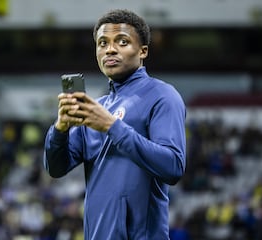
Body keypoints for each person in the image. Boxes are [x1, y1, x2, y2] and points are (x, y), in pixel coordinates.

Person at [43, 9, 186, 240]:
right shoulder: (95, 107)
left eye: (122, 41)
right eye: (102, 43)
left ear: (143, 51)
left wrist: (112, 126)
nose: (110, 49)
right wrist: (60, 129)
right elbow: (56, 169)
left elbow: (173, 166)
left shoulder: (163, 96)